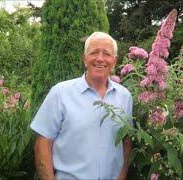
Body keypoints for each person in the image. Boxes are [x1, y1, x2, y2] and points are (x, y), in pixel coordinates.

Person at [30, 32, 133, 180]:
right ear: (85, 59)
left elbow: (126, 141)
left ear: (114, 61)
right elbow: (42, 143)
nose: (100, 58)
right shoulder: (60, 93)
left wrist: (122, 176)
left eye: (106, 54)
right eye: (94, 53)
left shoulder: (125, 97)